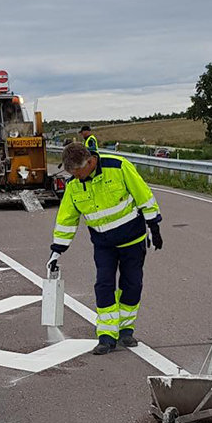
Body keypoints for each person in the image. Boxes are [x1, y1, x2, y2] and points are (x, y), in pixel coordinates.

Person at [48, 142, 163, 355]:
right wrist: (57, 250)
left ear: (90, 161)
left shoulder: (118, 167)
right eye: (72, 173)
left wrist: (154, 226)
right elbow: (67, 219)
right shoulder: (74, 185)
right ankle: (107, 336)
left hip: (132, 241)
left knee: (132, 285)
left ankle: (125, 330)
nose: (76, 177)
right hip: (104, 245)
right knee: (104, 286)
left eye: (78, 172)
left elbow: (143, 195)